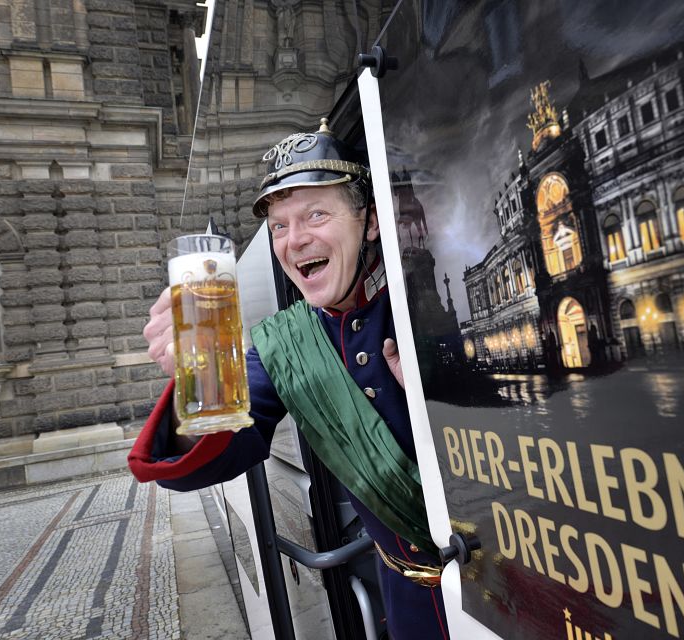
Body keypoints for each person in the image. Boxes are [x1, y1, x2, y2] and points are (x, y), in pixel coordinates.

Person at [128, 119, 450, 640]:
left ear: (369, 223)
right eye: (279, 225)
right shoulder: (286, 343)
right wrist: (197, 383)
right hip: (412, 606)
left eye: (315, 215)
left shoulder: (429, 304)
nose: (294, 240)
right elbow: (187, 468)